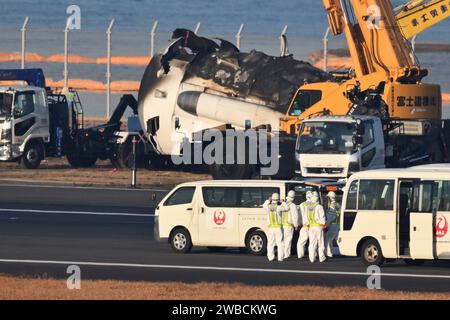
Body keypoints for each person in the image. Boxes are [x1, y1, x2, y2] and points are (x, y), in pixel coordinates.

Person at [307, 191, 327, 263]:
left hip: (311, 227)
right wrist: (324, 223)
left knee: (312, 243)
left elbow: (307, 218)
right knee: (320, 243)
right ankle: (322, 258)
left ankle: (312, 258)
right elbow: (322, 216)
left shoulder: (308, 207)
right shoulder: (319, 206)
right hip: (318, 226)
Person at [266, 193, 284, 262]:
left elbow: (264, 205)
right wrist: (282, 202)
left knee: (270, 243)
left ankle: (270, 257)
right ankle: (280, 258)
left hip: (271, 228)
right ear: (278, 199)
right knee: (280, 243)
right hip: (278, 228)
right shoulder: (279, 207)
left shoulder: (268, 206)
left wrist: (268, 200)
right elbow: (286, 208)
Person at [281, 190, 299, 259]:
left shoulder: (283, 204)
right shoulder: (292, 205)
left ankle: (282, 253)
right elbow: (295, 216)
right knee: (288, 240)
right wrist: (296, 225)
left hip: (283, 225)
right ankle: (287, 254)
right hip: (289, 225)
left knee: (283, 240)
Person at [325, 191, 341, 258]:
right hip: (337, 225)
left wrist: (326, 225)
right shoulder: (338, 205)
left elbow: (330, 218)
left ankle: (329, 254)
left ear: (330, 198)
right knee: (338, 240)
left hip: (332, 225)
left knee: (328, 240)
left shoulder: (331, 206)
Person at [297, 190, 312, 259]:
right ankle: (313, 255)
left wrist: (299, 224)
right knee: (313, 242)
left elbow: (299, 216)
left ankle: (300, 255)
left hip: (305, 226)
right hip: (313, 226)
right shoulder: (315, 205)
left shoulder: (302, 204)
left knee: (301, 242)